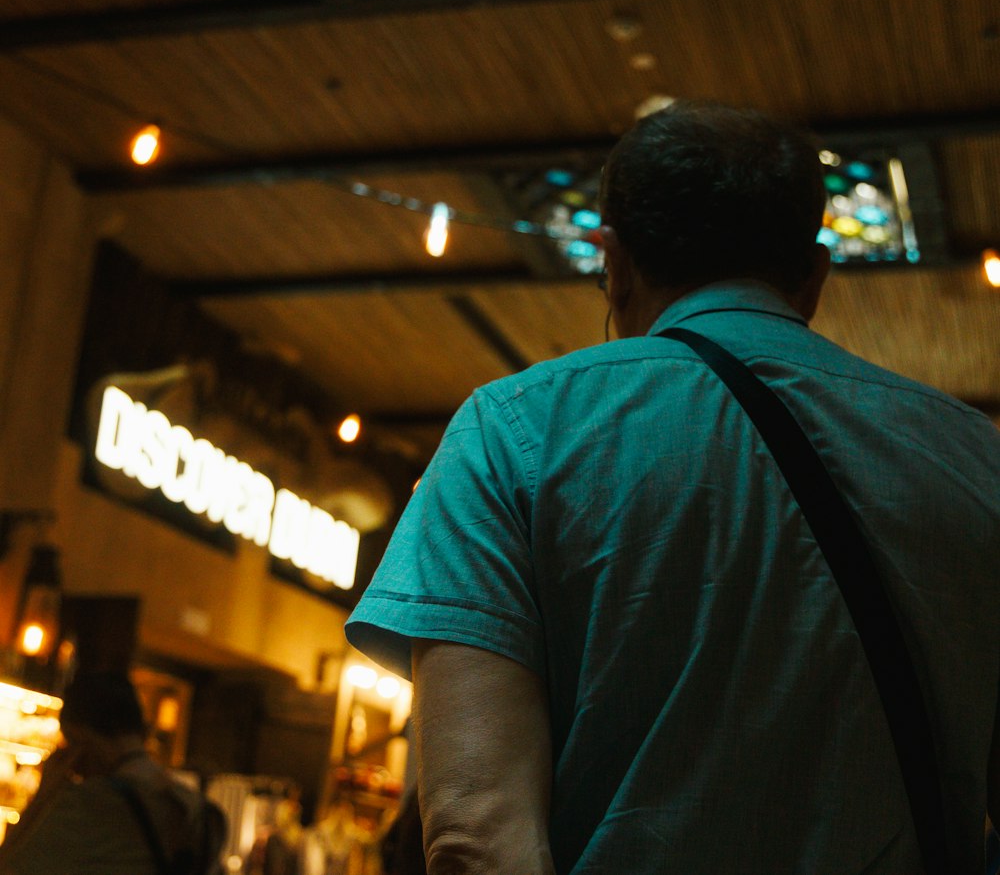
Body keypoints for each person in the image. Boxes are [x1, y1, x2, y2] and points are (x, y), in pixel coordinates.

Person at [344, 100, 1000, 875]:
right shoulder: (978, 458)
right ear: (814, 276)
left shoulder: (511, 433)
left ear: (611, 262)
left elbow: (477, 835)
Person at [0, 671, 225, 874]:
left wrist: (46, 793)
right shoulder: (200, 810)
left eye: (67, 742)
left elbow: (10, 865)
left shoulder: (84, 807)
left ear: (81, 739)